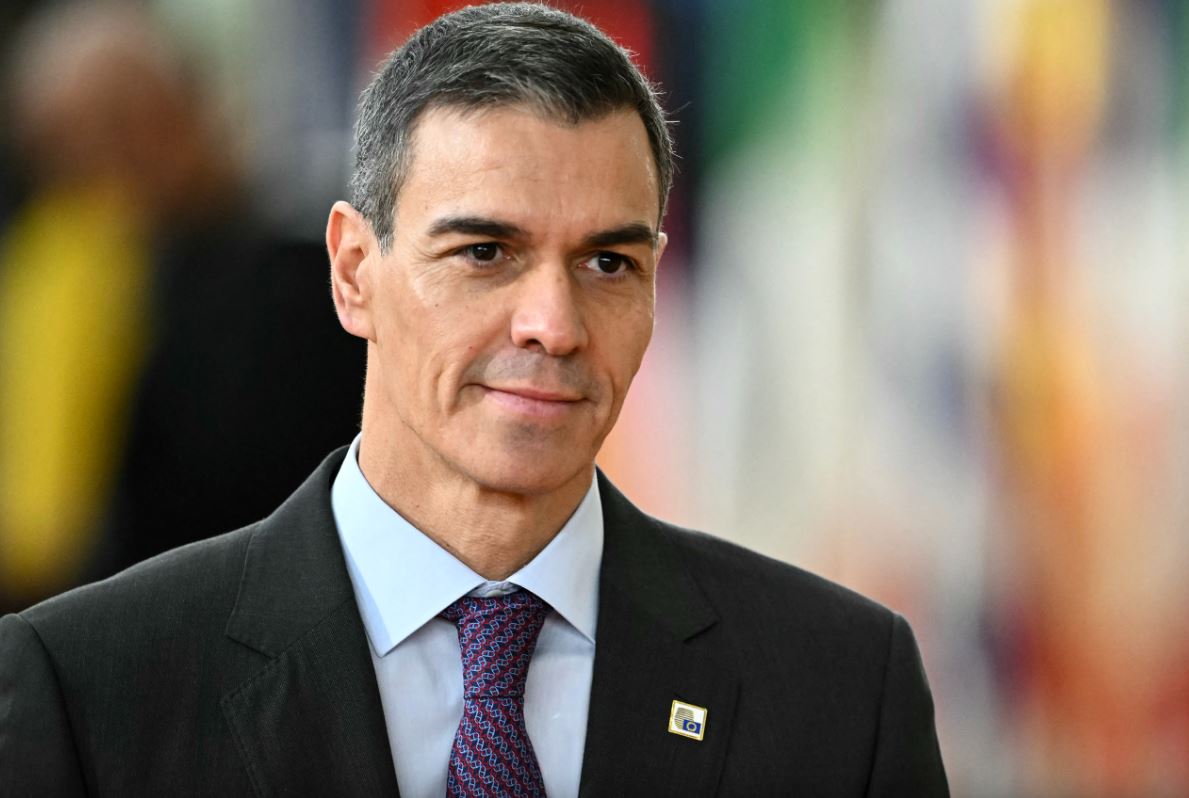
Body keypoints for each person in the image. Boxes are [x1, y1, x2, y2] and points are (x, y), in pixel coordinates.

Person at [0, 4, 948, 795]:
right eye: (485, 253)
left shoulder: (839, 687)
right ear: (353, 272)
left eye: (608, 263)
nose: (553, 325)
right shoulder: (88, 687)